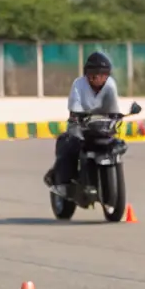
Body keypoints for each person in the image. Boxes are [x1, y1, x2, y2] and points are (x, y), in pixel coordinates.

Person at [44, 51, 120, 194]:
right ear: (87, 74)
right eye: (94, 73)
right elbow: (75, 109)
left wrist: (116, 117)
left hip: (102, 125)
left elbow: (114, 109)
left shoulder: (110, 85)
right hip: (80, 123)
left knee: (115, 143)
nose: (99, 77)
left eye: (103, 74)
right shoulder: (78, 84)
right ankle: (63, 183)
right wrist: (77, 119)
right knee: (71, 144)